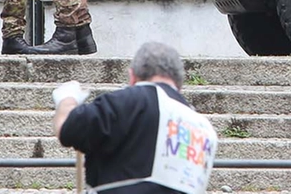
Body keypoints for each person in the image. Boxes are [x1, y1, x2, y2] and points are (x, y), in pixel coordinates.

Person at [52, 42, 218, 194]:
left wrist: (67, 100)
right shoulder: (204, 128)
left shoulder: (130, 101)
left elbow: (68, 129)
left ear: (132, 76)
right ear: (179, 84)